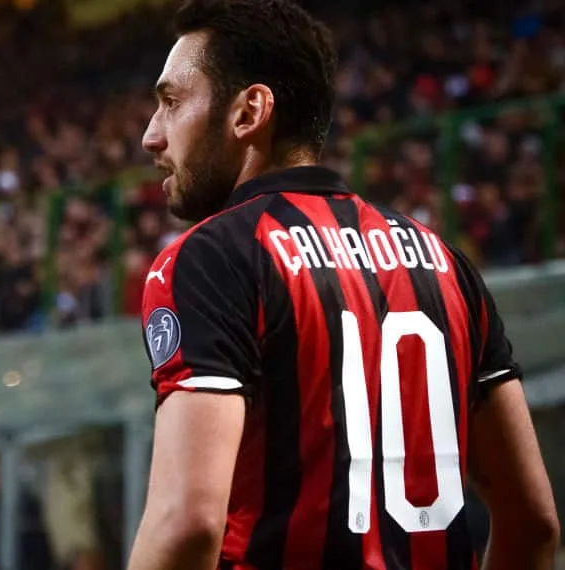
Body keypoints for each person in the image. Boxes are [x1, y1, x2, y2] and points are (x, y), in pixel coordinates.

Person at [126, 1, 560, 569]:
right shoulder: (446, 264)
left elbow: (185, 526)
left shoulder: (210, 259)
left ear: (249, 111)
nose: (150, 137)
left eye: (171, 102)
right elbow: (534, 523)